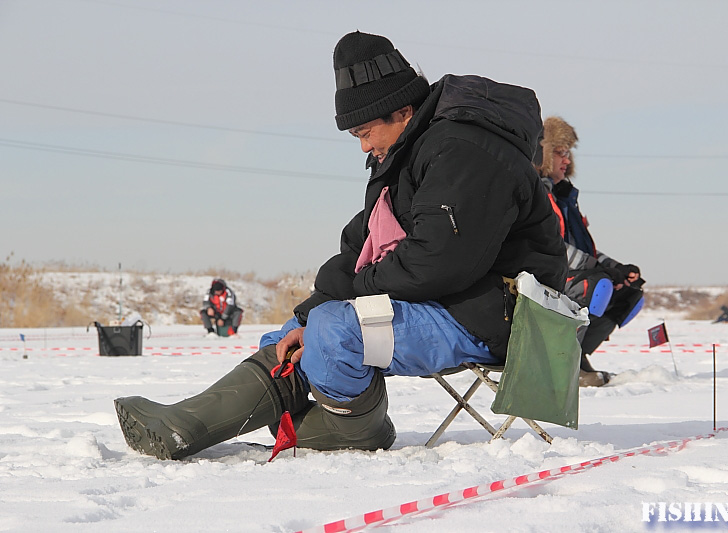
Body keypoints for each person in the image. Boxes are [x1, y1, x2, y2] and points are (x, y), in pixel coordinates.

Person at [114, 31, 567, 460]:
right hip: (452, 302)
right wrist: (317, 304)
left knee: (335, 329)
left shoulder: (465, 151)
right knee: (294, 329)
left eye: (366, 132)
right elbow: (362, 245)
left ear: (403, 112)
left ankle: (357, 425)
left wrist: (345, 296)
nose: (364, 146)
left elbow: (436, 263)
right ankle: (186, 425)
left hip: (504, 316)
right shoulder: (406, 156)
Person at [536, 116, 645, 387]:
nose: (567, 160)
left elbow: (587, 250)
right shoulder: (536, 195)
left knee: (628, 295)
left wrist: (617, 268)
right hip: (544, 281)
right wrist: (600, 269)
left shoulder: (565, 200)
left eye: (569, 154)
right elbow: (549, 247)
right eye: (560, 153)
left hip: (572, 276)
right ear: (544, 155)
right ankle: (563, 362)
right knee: (598, 286)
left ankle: (579, 355)